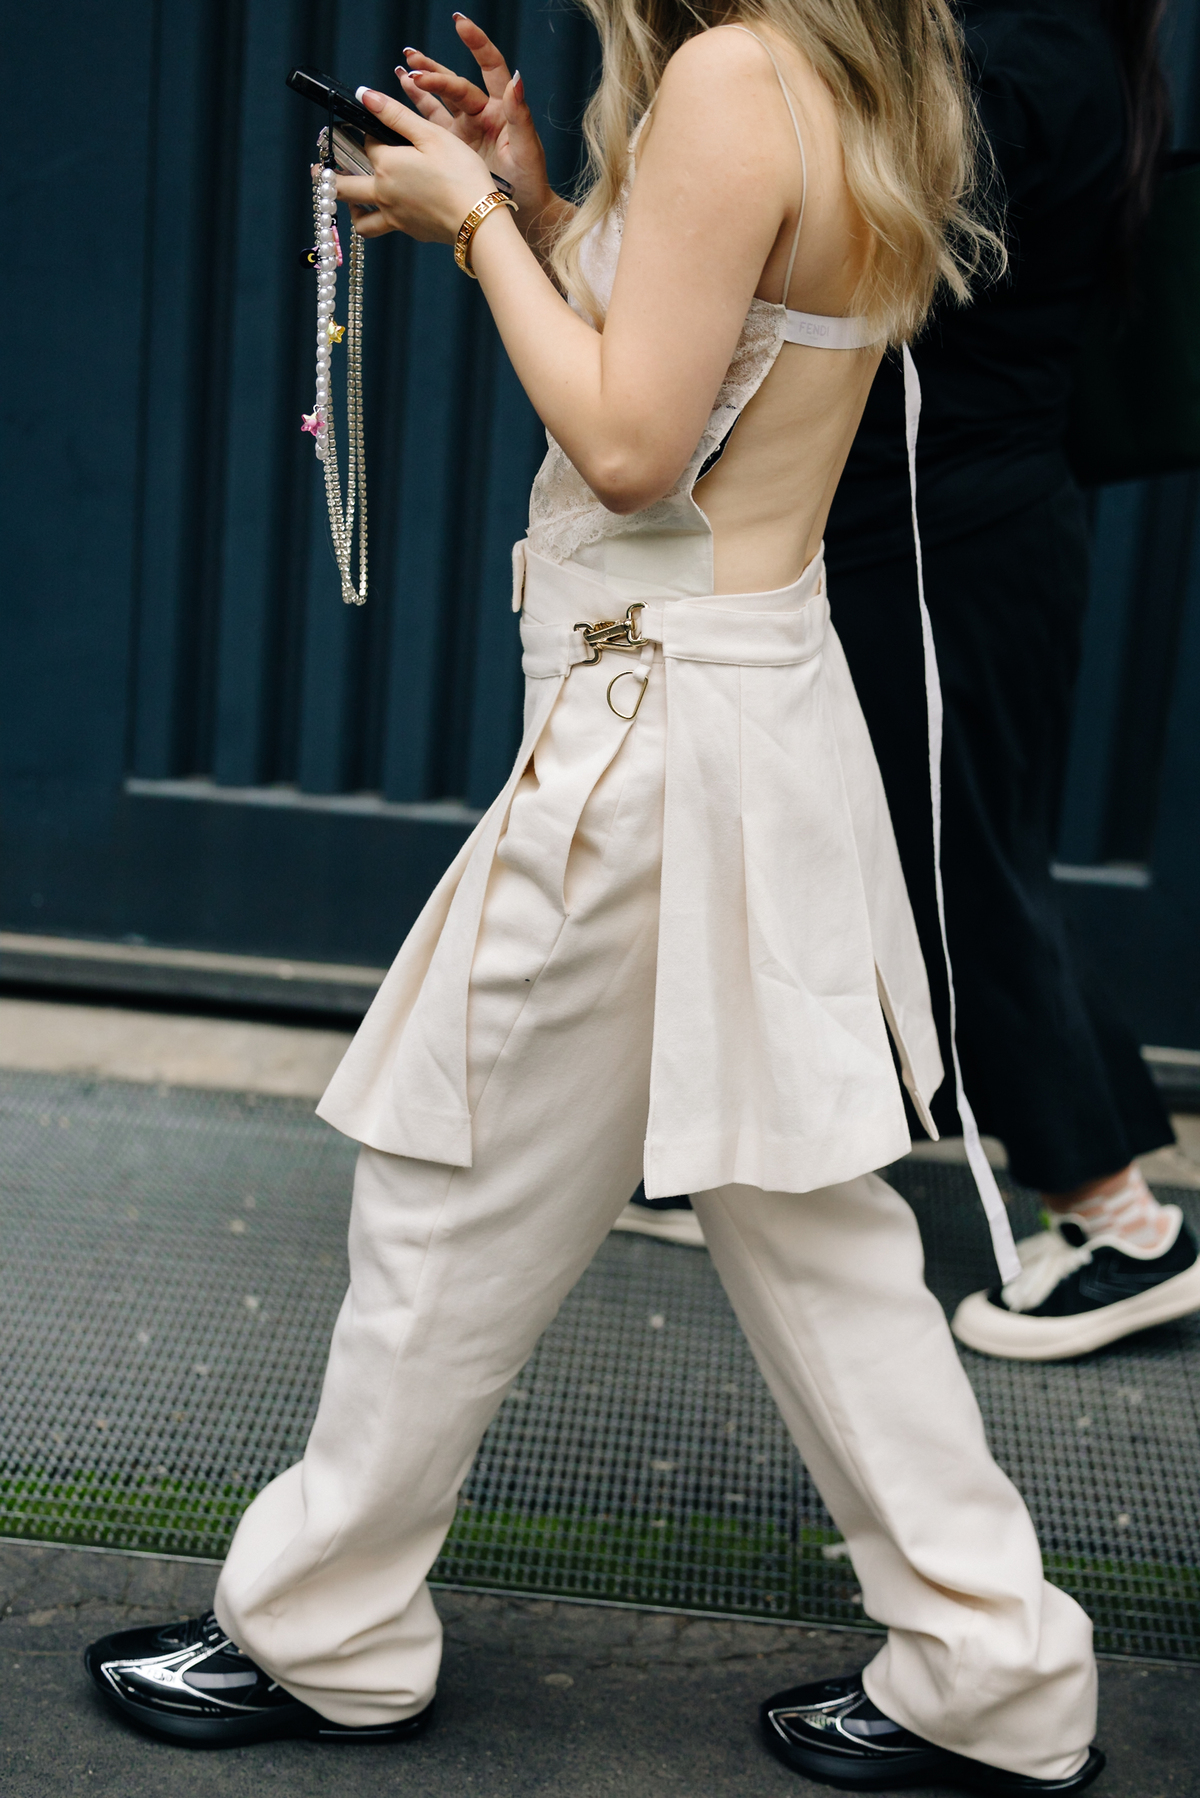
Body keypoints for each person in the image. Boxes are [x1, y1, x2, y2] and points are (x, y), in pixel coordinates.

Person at [84, 7, 1102, 1790]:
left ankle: (327, 1629)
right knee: (809, 1221)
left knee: (451, 1177)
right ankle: (994, 1666)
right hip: (747, 702)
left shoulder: (726, 78)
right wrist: (553, 212)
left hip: (650, 728)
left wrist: (477, 221)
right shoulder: (866, 64)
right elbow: (720, 362)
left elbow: (635, 452)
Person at [822, 0, 1200, 1362]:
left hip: (936, 536)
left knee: (956, 871)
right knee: (922, 849)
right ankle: (694, 1151)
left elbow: (848, 255)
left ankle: (1124, 1226)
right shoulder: (1064, 32)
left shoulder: (1017, 48)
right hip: (966, 523)